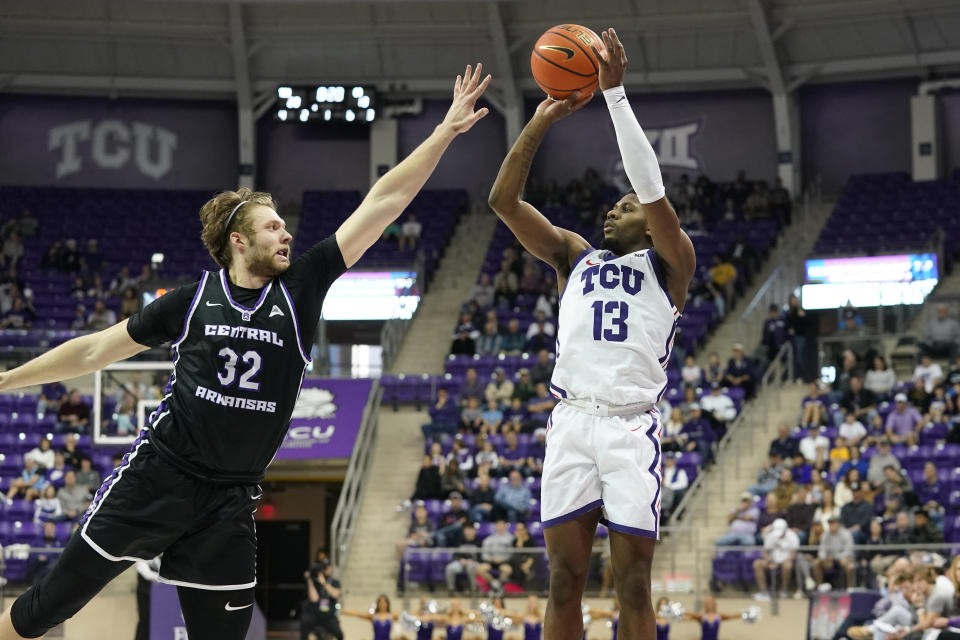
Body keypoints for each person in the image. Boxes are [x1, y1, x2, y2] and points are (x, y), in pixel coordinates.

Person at [0, 63, 491, 640]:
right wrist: (6, 381)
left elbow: (384, 201)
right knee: (43, 610)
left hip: (231, 499)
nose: (287, 235)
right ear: (239, 240)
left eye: (286, 227)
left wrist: (445, 133)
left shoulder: (303, 287)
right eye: (274, 227)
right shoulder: (191, 300)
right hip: (158, 477)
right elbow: (93, 353)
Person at [488, 29, 694, 640]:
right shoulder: (573, 256)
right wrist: (542, 118)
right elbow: (503, 199)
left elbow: (652, 188)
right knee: (562, 580)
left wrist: (614, 97)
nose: (613, 210)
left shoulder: (670, 264)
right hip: (573, 422)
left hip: (631, 427)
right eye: (613, 205)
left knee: (632, 585)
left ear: (651, 225)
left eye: (625, 206)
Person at [752, 518, 799, 601]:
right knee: (757, 564)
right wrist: (768, 560)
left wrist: (782, 561)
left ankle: (783, 590)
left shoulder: (792, 536)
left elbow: (793, 554)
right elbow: (765, 551)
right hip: (772, 560)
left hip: (785, 560)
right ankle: (764, 592)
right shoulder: (770, 535)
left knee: (787, 566)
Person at [301, 559, 343, 640]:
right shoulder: (315, 581)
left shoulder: (335, 582)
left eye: (328, 566)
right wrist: (309, 580)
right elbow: (314, 599)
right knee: (304, 622)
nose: (326, 569)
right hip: (316, 615)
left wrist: (324, 583)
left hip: (329, 616)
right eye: (324, 567)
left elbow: (335, 595)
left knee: (339, 634)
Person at [814, 517, 855, 589]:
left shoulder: (846, 533)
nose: (831, 525)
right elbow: (821, 550)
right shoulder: (825, 535)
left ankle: (850, 588)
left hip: (843, 558)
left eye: (833, 523)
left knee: (848, 564)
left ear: (838, 524)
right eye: (830, 523)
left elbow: (848, 551)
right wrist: (824, 558)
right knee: (816, 563)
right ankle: (820, 587)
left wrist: (836, 557)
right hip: (829, 559)